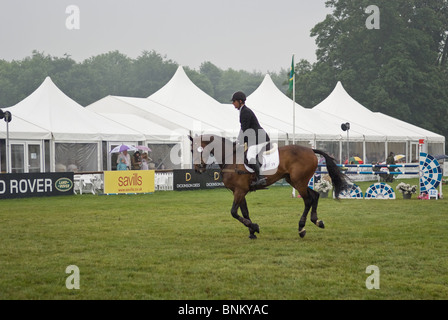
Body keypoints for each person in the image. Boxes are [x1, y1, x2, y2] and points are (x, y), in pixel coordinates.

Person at [231, 91, 270, 186]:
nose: (233, 103)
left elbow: (245, 129)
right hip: (254, 139)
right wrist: (238, 141)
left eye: (234, 101)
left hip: (259, 139)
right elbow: (243, 129)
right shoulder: (243, 111)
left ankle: (261, 178)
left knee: (250, 156)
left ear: (240, 101)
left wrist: (239, 142)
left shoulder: (245, 112)